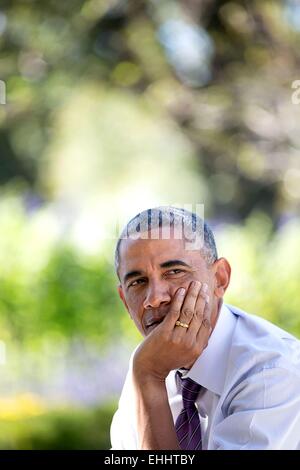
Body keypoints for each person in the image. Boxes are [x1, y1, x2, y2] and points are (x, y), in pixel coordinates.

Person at [110, 206, 300, 450]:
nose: (154, 298)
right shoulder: (148, 363)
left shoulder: (272, 372)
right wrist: (147, 376)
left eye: (174, 271)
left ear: (220, 279)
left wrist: (148, 377)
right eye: (138, 282)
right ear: (125, 300)